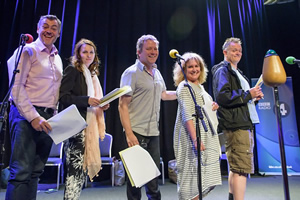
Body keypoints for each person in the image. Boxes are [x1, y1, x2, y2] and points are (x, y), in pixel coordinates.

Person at [5, 15, 62, 200]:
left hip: (47, 118)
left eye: (53, 28)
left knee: (35, 172)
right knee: (21, 172)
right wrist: (33, 117)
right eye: (45, 26)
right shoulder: (27, 51)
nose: (49, 30)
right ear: (37, 29)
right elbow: (16, 88)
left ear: (58, 33)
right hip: (25, 116)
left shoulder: (57, 58)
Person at [118, 34, 176, 200]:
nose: (153, 52)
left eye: (155, 49)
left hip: (153, 133)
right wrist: (129, 133)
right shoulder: (131, 73)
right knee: (136, 181)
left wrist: (182, 91)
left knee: (153, 181)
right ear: (139, 52)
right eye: (149, 49)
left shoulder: (156, 72)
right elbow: (122, 105)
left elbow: (163, 95)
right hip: (136, 132)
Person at [211, 37, 264, 200]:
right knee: (241, 168)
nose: (237, 53)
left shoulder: (237, 73)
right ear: (225, 52)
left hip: (240, 122)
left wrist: (253, 99)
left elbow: (237, 101)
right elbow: (222, 96)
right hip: (236, 125)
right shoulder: (223, 70)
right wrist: (248, 94)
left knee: (236, 167)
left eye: (239, 51)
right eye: (234, 50)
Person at [59, 38, 109, 200]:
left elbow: (93, 100)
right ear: (78, 54)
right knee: (74, 169)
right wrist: (87, 100)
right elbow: (63, 97)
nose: (88, 55)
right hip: (74, 125)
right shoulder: (73, 70)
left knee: (79, 170)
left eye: (91, 52)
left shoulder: (91, 74)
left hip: (86, 124)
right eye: (85, 52)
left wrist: (100, 106)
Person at [172, 52, 222, 200]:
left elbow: (202, 107)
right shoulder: (184, 87)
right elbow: (187, 116)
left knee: (203, 180)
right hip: (192, 138)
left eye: (196, 66)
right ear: (183, 70)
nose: (194, 69)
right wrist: (195, 140)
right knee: (192, 182)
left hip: (206, 135)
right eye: (190, 67)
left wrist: (212, 105)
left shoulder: (199, 87)